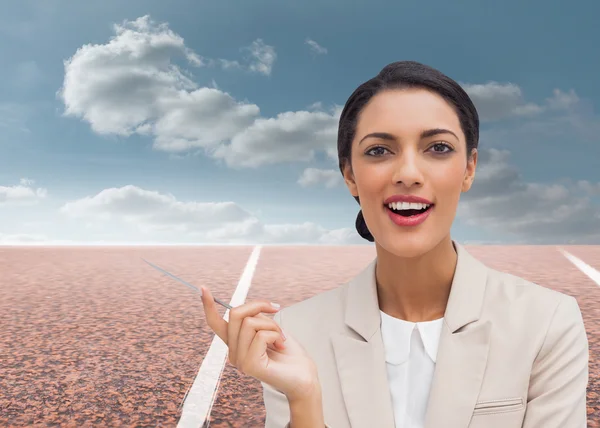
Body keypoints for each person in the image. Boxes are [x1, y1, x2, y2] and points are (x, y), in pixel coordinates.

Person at [201, 61, 589, 428]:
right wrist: (304, 398)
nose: (407, 174)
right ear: (350, 175)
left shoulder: (547, 322)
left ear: (469, 168)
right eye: (379, 151)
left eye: (438, 147)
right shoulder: (294, 334)